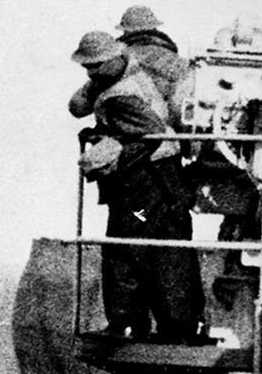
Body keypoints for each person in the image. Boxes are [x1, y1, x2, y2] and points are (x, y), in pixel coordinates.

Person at [71, 31, 203, 342]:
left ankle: (126, 323)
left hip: (142, 184)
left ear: (113, 60)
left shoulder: (119, 95)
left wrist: (115, 150)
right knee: (170, 252)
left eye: (95, 66)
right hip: (168, 178)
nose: (91, 73)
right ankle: (180, 328)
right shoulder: (137, 76)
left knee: (124, 246)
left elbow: (151, 132)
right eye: (88, 67)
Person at [70, 6, 190, 129]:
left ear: (125, 31)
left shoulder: (114, 60)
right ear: (155, 28)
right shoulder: (180, 63)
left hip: (121, 134)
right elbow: (184, 108)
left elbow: (78, 107)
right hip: (168, 134)